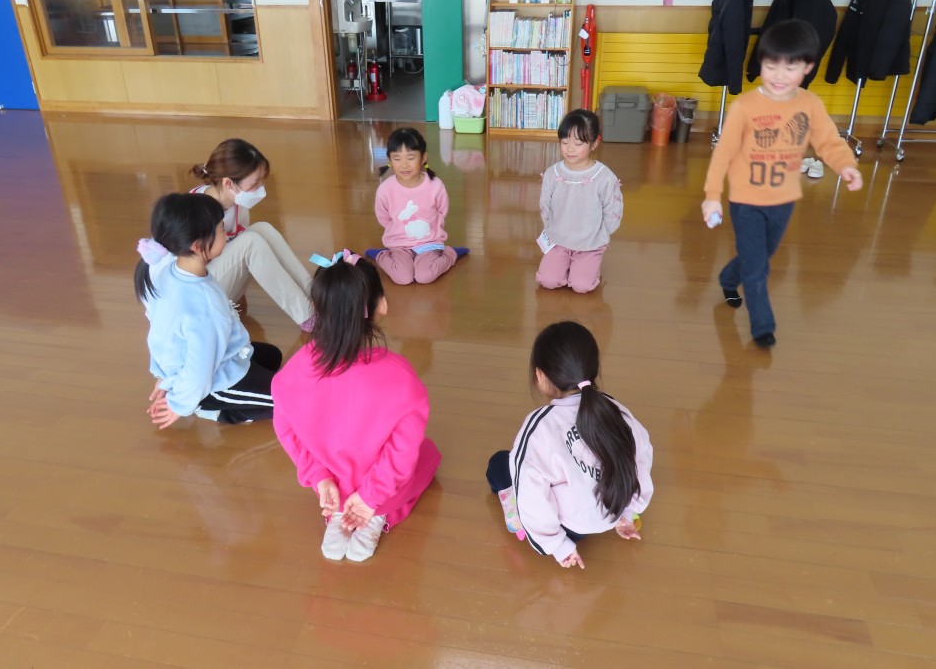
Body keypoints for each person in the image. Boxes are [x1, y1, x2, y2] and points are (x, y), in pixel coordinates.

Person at [702, 19, 864, 348]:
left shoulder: (810, 105)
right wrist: (712, 195)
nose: (779, 75)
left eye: (790, 68)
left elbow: (829, 141)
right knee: (758, 267)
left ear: (808, 67)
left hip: (783, 200)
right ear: (760, 63)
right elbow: (724, 154)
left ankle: (728, 277)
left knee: (763, 254)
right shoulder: (745, 107)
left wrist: (846, 165)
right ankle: (763, 326)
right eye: (771, 66)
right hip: (746, 201)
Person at [271, 250, 442, 561]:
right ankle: (374, 513)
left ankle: (339, 511)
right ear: (381, 305)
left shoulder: (290, 374)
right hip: (382, 491)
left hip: (331, 485)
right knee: (428, 455)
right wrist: (369, 497)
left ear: (319, 309)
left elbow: (288, 432)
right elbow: (402, 454)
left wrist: (320, 476)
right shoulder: (401, 379)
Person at [486, 321, 653, 570]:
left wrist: (558, 546)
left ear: (540, 376)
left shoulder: (539, 427)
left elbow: (532, 492)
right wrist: (628, 512)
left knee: (500, 463)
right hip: (614, 511)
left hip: (569, 529)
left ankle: (517, 516)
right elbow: (640, 460)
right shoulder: (617, 411)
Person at [134, 193, 282, 427]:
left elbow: (163, 335)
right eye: (222, 229)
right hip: (214, 381)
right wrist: (179, 403)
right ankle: (209, 406)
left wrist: (165, 376)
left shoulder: (169, 270)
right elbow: (200, 366)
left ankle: (204, 396)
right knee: (291, 400)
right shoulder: (203, 304)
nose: (227, 233)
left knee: (272, 356)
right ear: (197, 246)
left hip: (219, 359)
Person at [190, 138, 315, 331]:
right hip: (196, 296)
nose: (261, 188)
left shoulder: (236, 203)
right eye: (255, 183)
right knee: (251, 241)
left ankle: (316, 294)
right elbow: (192, 269)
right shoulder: (199, 211)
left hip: (216, 282)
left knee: (262, 229)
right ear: (229, 183)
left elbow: (236, 256)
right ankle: (307, 316)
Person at [366, 127, 468, 284]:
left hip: (429, 243)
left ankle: (451, 253)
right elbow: (383, 217)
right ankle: (381, 255)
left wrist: (432, 231)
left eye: (410, 157)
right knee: (403, 278)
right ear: (390, 160)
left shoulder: (435, 185)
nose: (404, 165)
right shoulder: (385, 189)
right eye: (397, 158)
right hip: (399, 245)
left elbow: (442, 211)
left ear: (423, 158)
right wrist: (399, 231)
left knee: (424, 277)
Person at [536, 109, 623, 293]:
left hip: (590, 244)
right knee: (548, 281)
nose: (570, 149)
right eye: (565, 142)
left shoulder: (604, 177)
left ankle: (585, 266)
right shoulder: (553, 173)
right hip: (558, 241)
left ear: (594, 144)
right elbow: (545, 206)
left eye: (578, 143)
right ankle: (565, 263)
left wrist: (601, 235)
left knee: (581, 286)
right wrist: (552, 229)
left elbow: (613, 211)